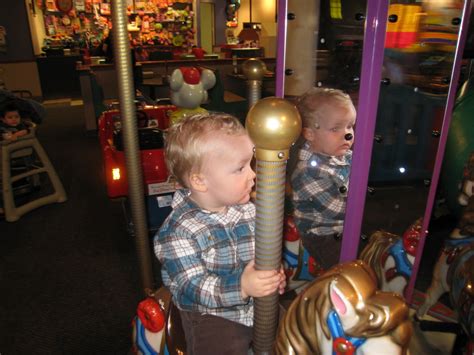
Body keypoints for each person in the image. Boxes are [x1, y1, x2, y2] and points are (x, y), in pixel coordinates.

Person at [154, 113, 286, 354]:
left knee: (295, 331)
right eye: (240, 168)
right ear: (200, 181)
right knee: (223, 347)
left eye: (251, 164)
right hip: (212, 313)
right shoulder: (178, 231)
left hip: (257, 303)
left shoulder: (249, 210)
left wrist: (274, 274)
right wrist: (243, 286)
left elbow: (267, 250)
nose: (253, 174)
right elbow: (193, 285)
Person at [290, 87, 357, 270]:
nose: (348, 134)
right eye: (336, 128)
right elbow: (338, 210)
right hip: (322, 235)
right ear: (310, 134)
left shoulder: (345, 156)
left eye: (350, 126)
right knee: (344, 269)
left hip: (343, 227)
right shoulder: (309, 172)